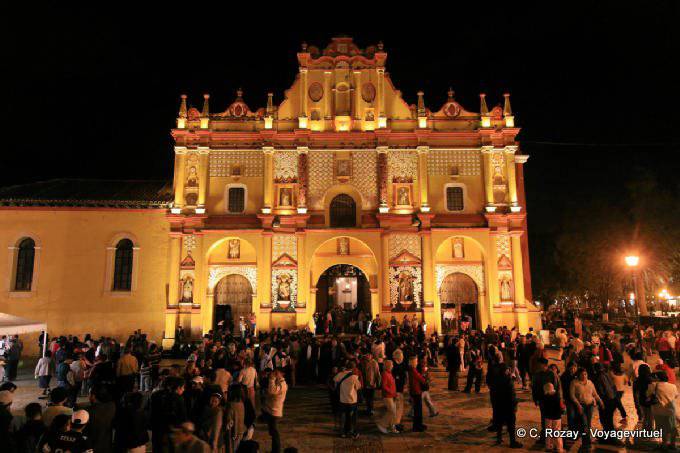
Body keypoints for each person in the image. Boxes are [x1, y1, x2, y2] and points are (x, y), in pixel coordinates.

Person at [570, 368, 603, 452]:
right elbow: (572, 396)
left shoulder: (590, 383)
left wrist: (600, 402)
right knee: (584, 424)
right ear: (578, 375)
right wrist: (578, 405)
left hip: (590, 405)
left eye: (585, 374)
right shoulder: (574, 383)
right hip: (581, 406)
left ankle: (587, 440)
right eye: (582, 374)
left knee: (588, 424)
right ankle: (586, 442)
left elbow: (595, 394)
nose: (584, 376)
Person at [491, 364, 522, 448]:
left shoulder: (495, 379)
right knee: (511, 424)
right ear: (505, 370)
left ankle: (499, 438)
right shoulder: (508, 380)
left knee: (499, 422)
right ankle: (512, 441)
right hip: (508, 406)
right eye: (508, 370)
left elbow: (493, 394)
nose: (509, 371)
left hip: (498, 405)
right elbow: (512, 395)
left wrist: (494, 404)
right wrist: (515, 404)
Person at [647, 371, 678, 449]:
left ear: (657, 377)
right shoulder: (673, 386)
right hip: (670, 411)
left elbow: (647, 395)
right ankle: (673, 444)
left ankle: (664, 445)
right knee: (672, 428)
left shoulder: (652, 386)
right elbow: (675, 396)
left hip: (658, 411)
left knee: (662, 428)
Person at [84, 386, 116, 453]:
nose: (88, 396)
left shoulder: (87, 411)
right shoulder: (112, 406)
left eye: (89, 394)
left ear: (93, 396)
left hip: (92, 446)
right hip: (106, 445)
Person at [334, 361, 362, 438]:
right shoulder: (354, 377)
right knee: (352, 417)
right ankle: (352, 431)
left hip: (342, 399)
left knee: (343, 416)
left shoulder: (340, 374)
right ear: (353, 368)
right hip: (352, 400)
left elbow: (335, 380)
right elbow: (358, 387)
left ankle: (342, 431)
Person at [263, 367, 287, 453]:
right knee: (273, 433)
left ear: (282, 374)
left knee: (275, 434)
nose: (275, 374)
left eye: (277, 373)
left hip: (275, 412)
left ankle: (276, 451)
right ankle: (274, 450)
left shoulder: (282, 384)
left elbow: (272, 391)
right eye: (275, 372)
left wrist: (271, 379)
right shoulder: (279, 382)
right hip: (272, 410)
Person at [376, 359, 397, 434]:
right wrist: (391, 392)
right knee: (391, 411)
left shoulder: (389, 373)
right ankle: (382, 425)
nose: (392, 366)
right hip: (387, 396)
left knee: (393, 412)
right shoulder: (385, 374)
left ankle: (392, 427)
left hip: (392, 395)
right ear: (388, 366)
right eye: (391, 365)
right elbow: (384, 386)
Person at [542, 383, 564, 453]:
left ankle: (548, 446)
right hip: (556, 417)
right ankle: (559, 448)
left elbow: (543, 408)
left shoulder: (545, 397)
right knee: (557, 432)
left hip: (548, 417)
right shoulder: (557, 396)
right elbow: (561, 407)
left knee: (548, 432)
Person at [407, 356, 427, 432]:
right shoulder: (413, 370)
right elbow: (420, 379)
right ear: (413, 362)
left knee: (418, 409)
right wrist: (424, 374)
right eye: (416, 361)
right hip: (416, 391)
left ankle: (419, 424)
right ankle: (417, 426)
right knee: (418, 410)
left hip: (415, 391)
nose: (417, 362)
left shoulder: (412, 369)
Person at [361, 351, 380, 416]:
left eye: (369, 355)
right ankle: (368, 409)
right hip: (365, 383)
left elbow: (377, 373)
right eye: (366, 355)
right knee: (367, 397)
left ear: (371, 356)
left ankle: (371, 409)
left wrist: (378, 383)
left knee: (371, 397)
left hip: (372, 383)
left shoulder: (374, 363)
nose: (368, 356)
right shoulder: (363, 362)